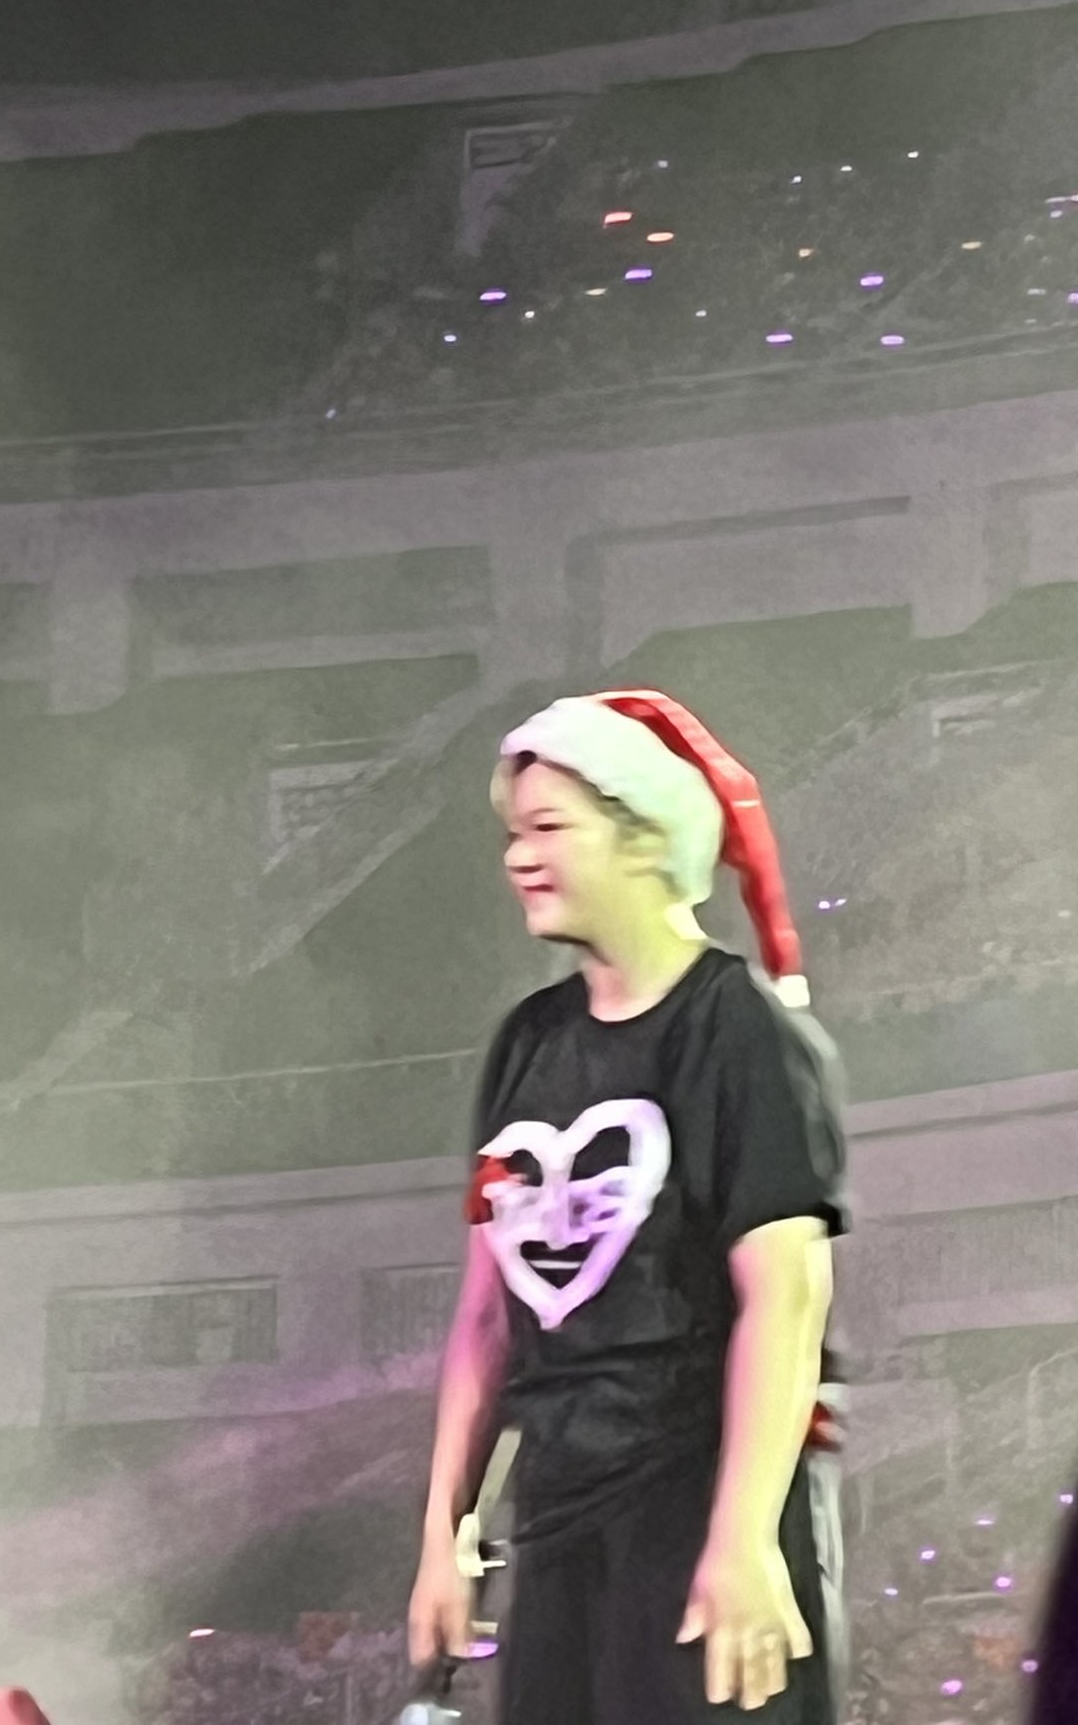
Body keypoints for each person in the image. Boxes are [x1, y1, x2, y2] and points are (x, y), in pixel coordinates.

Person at [407, 690, 849, 1722]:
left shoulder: (740, 1030)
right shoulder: (527, 1043)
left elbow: (785, 1298)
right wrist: (444, 1536)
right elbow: (488, 1318)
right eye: (514, 835)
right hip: (561, 1519)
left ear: (646, 838)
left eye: (550, 828)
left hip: (696, 1505)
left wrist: (742, 1539)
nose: (519, 857)